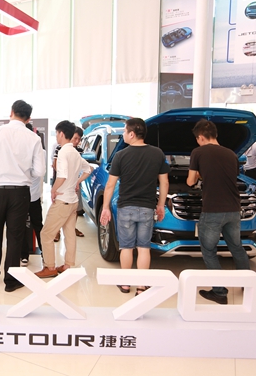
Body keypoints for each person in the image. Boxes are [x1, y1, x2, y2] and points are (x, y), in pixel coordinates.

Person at [0, 100, 45, 292]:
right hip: (20, 193)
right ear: (28, 118)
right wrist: (23, 172)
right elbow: (39, 171)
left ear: (11, 112)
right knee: (15, 236)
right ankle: (11, 281)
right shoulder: (34, 138)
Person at [100, 118, 170, 295]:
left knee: (126, 246)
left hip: (126, 207)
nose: (123, 134)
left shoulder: (121, 155)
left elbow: (110, 185)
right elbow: (164, 182)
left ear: (132, 134)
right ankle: (141, 286)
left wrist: (106, 207)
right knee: (144, 247)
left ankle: (125, 284)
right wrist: (161, 205)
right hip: (147, 207)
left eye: (124, 131)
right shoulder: (157, 153)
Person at [187, 119, 250, 305]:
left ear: (200, 137)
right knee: (236, 247)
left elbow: (190, 181)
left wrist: (200, 173)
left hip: (213, 209)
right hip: (234, 208)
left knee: (209, 251)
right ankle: (248, 284)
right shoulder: (231, 154)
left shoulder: (198, 152)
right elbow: (228, 176)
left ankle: (220, 292)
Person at [35, 121, 91, 279]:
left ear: (61, 133)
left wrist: (53, 190)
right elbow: (89, 169)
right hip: (73, 201)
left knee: (46, 234)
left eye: (57, 133)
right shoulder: (75, 152)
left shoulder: (63, 152)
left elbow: (62, 175)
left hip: (63, 200)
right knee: (69, 233)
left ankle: (50, 267)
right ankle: (67, 265)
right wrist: (77, 182)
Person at [52, 127, 85, 241]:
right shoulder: (60, 148)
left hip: (74, 183)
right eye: (75, 138)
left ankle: (71, 228)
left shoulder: (79, 150)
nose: (76, 141)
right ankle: (57, 231)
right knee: (58, 208)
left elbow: (83, 167)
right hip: (61, 183)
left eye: (79, 139)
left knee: (74, 209)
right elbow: (55, 165)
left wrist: (77, 180)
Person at [21, 122, 45, 267]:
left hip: (27, 195)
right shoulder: (40, 150)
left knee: (26, 225)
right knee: (36, 225)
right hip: (31, 195)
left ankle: (25, 256)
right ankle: (43, 254)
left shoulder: (35, 150)